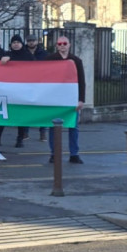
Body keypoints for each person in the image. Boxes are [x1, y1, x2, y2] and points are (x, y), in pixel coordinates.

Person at [46, 35, 86, 164]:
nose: (62, 46)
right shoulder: (50, 59)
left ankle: (74, 154)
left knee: (73, 127)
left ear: (69, 45)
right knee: (53, 127)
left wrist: (81, 100)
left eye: (65, 43)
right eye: (60, 44)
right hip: (55, 99)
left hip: (72, 99)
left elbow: (81, 81)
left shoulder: (76, 60)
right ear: (56, 46)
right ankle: (54, 153)